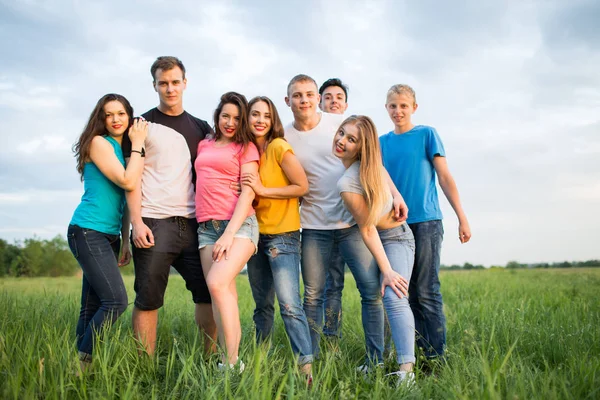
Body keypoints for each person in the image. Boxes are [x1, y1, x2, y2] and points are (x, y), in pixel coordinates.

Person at [284, 74, 408, 368]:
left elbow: (371, 160)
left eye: (309, 94)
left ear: (317, 98)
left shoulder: (336, 124)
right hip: (314, 227)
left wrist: (395, 192)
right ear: (287, 100)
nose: (304, 100)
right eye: (297, 95)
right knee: (313, 296)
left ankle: (375, 359)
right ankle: (309, 362)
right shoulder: (285, 135)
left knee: (370, 292)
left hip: (352, 225)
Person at [125, 56, 216, 357]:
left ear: (185, 83)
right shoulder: (140, 125)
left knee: (207, 294)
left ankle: (211, 358)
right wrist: (135, 223)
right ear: (154, 85)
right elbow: (131, 179)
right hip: (154, 222)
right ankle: (143, 367)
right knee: (148, 298)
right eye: (163, 83)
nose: (170, 88)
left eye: (175, 82)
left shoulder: (201, 127)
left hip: (194, 224)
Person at [380, 84, 472, 361]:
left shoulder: (427, 134)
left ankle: (435, 356)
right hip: (393, 225)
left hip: (426, 221)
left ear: (414, 108)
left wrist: (461, 217)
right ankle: (406, 353)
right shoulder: (382, 142)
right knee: (400, 293)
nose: (398, 111)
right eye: (393, 106)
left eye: (404, 106)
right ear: (386, 108)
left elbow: (444, 177)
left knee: (426, 289)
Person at [68, 93, 148, 372]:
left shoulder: (120, 149)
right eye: (109, 114)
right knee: (116, 301)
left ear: (129, 116)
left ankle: (77, 373)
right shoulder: (98, 143)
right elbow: (128, 181)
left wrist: (125, 240)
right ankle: (82, 364)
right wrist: (138, 143)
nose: (116, 119)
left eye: (121, 113)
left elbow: (126, 200)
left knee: (91, 307)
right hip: (87, 230)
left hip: (109, 235)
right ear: (101, 119)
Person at [334, 115, 416, 385]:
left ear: (362, 147)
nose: (342, 141)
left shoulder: (369, 167)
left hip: (398, 237)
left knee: (394, 294)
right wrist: (385, 269)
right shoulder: (347, 183)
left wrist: (397, 195)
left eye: (351, 139)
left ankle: (406, 372)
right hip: (374, 237)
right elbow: (368, 229)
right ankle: (379, 359)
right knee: (373, 295)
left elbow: (383, 173)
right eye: (342, 133)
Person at [241, 96, 313, 380]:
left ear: (273, 121)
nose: (260, 120)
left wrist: (262, 190)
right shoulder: (245, 152)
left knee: (289, 304)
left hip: (282, 236)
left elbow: (302, 186)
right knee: (262, 306)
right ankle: (261, 360)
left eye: (266, 116)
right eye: (254, 114)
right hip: (254, 236)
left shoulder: (278, 147)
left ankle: (305, 367)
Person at [195, 91, 260, 371]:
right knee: (222, 295)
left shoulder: (246, 147)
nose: (230, 122)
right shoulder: (204, 144)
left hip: (238, 226)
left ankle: (233, 363)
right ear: (217, 116)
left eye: (236, 118)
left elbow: (248, 193)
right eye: (225, 116)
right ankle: (226, 359)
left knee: (217, 283)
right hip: (206, 227)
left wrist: (228, 235)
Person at [318, 78, 349, 340]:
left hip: (354, 220)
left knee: (371, 286)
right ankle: (330, 340)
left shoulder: (356, 131)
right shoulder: (312, 133)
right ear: (320, 102)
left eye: (338, 97)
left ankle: (381, 350)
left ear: (346, 104)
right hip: (322, 223)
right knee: (330, 286)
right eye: (328, 96)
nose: (334, 100)